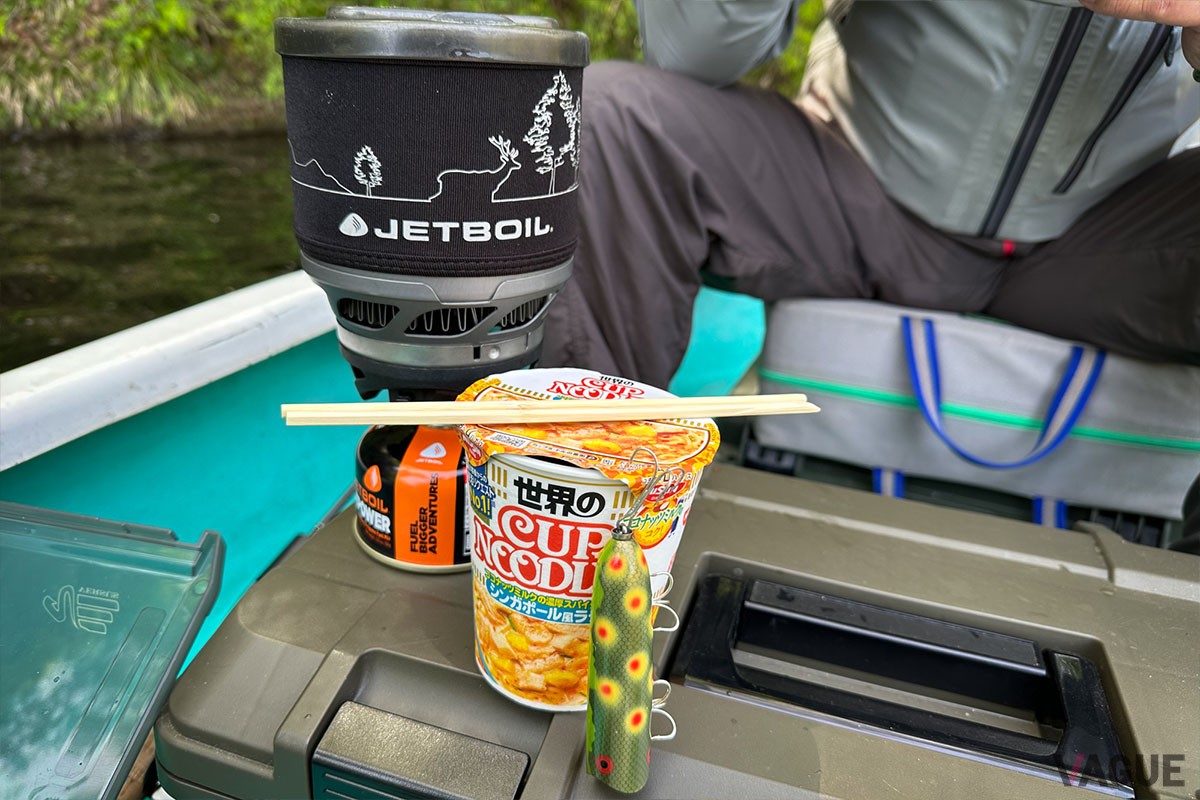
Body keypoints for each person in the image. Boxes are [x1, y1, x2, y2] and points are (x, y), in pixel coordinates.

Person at [539, 0, 1200, 391]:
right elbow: (692, 52)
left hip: (1098, 241)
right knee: (614, 117)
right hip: (846, 186)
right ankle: (572, 504)